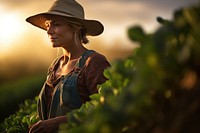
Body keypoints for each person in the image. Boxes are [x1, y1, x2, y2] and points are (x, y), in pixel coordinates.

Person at [26, 0, 110, 132]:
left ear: (75, 27)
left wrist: (59, 123)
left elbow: (107, 109)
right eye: (48, 25)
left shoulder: (94, 63)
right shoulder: (55, 65)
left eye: (56, 25)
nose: (49, 31)